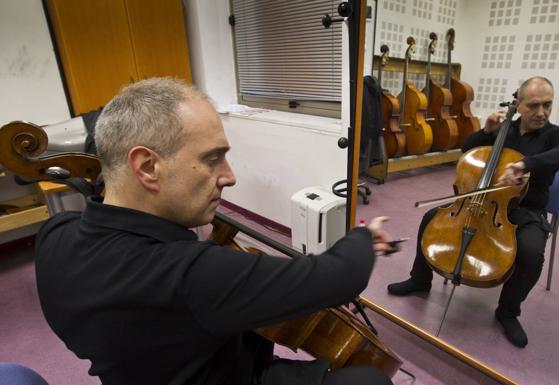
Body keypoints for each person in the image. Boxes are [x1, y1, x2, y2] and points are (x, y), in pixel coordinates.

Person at [35, 77, 394, 385]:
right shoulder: (191, 275)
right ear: (146, 167)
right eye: (212, 158)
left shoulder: (55, 235)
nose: (229, 176)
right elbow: (339, 276)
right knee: (370, 379)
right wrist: (363, 237)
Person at [387, 76, 559, 348]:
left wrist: (526, 164)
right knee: (431, 218)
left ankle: (508, 312)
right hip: (484, 202)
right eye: (533, 106)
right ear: (519, 104)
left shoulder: (556, 135)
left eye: (547, 105)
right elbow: (468, 151)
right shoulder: (505, 129)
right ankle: (419, 279)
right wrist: (487, 130)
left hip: (526, 210)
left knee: (531, 251)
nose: (541, 113)